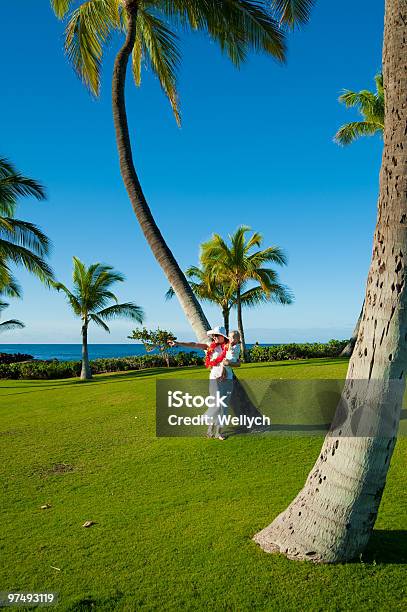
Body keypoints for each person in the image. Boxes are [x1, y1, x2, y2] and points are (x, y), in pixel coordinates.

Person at [168, 326, 241, 440]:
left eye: (216, 335)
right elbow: (193, 344)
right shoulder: (209, 347)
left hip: (228, 378)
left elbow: (238, 364)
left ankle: (218, 432)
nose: (214, 337)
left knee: (224, 406)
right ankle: (209, 428)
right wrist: (178, 343)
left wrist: (227, 363)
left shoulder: (231, 348)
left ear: (223, 337)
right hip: (214, 378)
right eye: (213, 335)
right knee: (216, 404)